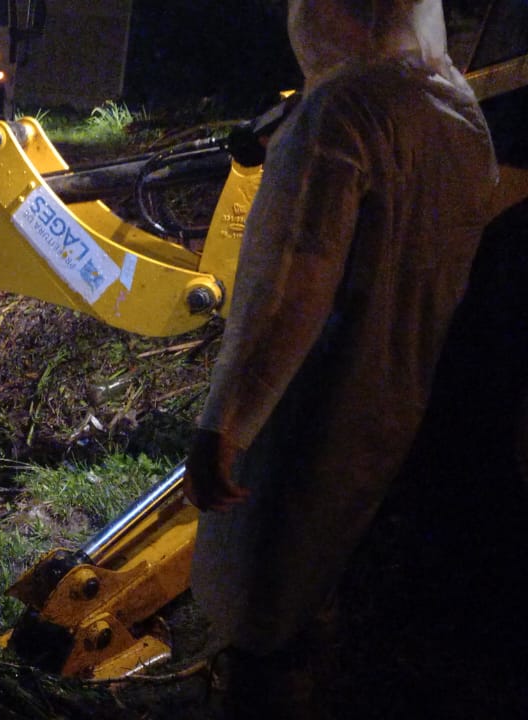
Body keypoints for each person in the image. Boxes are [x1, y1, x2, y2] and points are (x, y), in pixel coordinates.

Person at [183, 0, 498, 715]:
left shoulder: (343, 113)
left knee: (263, 614)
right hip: (395, 407)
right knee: (321, 594)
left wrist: (225, 425)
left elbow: (292, 287)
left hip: (308, 414)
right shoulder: (459, 114)